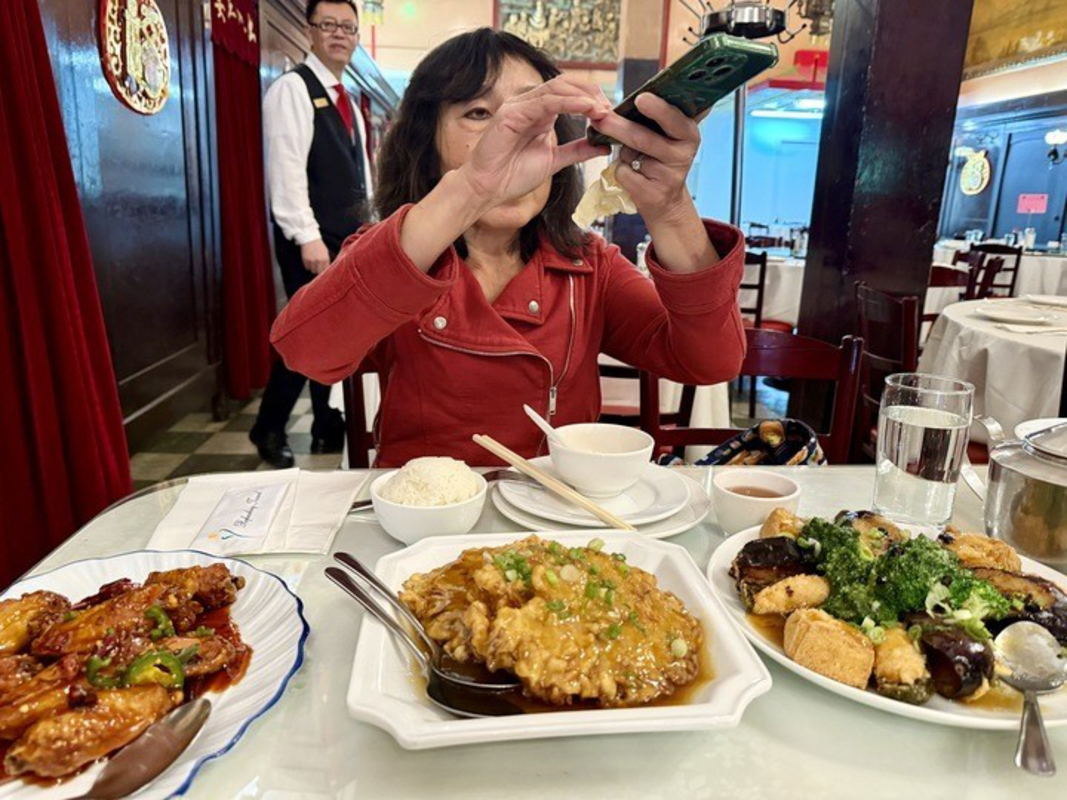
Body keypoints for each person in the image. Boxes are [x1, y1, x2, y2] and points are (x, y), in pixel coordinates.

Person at [270, 28, 745, 467]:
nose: (510, 135)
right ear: (426, 142)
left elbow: (710, 360)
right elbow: (305, 351)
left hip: (556, 534)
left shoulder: (589, 266)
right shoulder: (396, 254)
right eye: (478, 113)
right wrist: (473, 188)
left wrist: (668, 206)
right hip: (420, 535)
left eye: (529, 113)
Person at [250, 0, 373, 468]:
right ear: (310, 30)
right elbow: (285, 170)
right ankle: (268, 426)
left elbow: (357, 175)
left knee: (336, 334)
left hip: (345, 239)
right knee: (310, 336)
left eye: (348, 27)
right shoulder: (291, 90)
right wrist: (307, 236)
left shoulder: (347, 101)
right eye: (329, 25)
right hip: (312, 241)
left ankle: (327, 423)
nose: (339, 34)